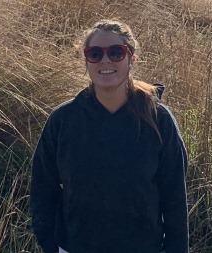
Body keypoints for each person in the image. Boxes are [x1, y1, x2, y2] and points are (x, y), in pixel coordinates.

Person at [30, 19, 189, 253]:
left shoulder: (158, 120)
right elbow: (42, 191)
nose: (105, 61)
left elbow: (175, 200)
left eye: (116, 52)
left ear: (131, 59)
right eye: (95, 53)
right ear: (86, 60)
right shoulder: (63, 120)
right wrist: (52, 246)